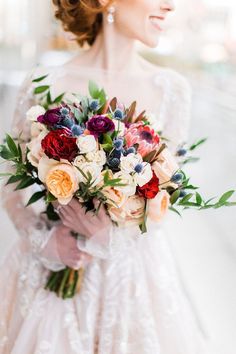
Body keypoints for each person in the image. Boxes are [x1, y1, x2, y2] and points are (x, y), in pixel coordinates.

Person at [0, 1, 210, 353]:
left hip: (132, 279)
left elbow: (162, 198)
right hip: (52, 268)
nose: (170, 5)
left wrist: (108, 234)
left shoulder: (172, 89)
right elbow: (8, 182)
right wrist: (44, 240)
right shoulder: (46, 82)